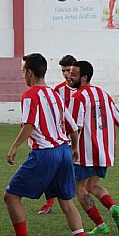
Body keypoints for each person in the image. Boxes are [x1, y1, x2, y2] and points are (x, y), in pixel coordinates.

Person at [3, 53, 91, 236]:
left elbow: (29, 125)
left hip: (45, 152)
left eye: (23, 71)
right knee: (66, 202)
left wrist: (14, 147)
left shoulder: (30, 95)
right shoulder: (55, 95)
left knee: (11, 196)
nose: (22, 75)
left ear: (29, 72)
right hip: (63, 151)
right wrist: (75, 148)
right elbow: (72, 127)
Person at [68, 60, 119, 235]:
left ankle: (100, 224)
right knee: (92, 185)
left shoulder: (78, 97)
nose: (69, 77)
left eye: (73, 74)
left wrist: (71, 147)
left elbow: (76, 127)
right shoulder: (104, 94)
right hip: (104, 152)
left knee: (80, 188)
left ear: (84, 77)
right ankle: (113, 207)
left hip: (84, 152)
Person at [38, 54, 77, 215]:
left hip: (81, 137)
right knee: (55, 170)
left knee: (79, 176)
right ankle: (50, 202)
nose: (66, 74)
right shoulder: (58, 90)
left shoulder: (85, 89)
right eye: (63, 71)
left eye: (69, 70)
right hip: (61, 139)